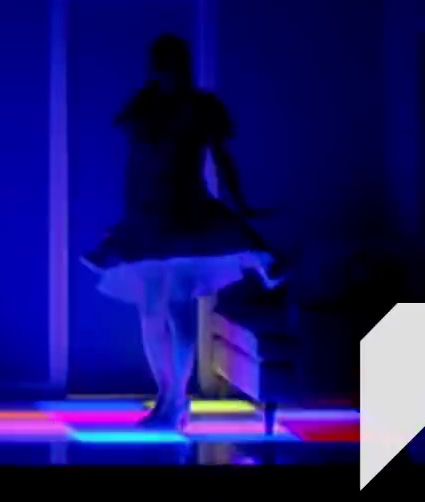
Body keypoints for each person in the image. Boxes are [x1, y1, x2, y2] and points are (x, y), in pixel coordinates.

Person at [82, 33, 278, 430]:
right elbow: (135, 165)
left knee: (176, 306)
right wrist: (128, 222)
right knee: (151, 311)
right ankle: (167, 397)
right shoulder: (142, 107)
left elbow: (222, 160)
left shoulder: (200, 108)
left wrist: (240, 204)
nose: (167, 74)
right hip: (147, 216)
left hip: (186, 214)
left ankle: (175, 401)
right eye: (162, 67)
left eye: (173, 67)